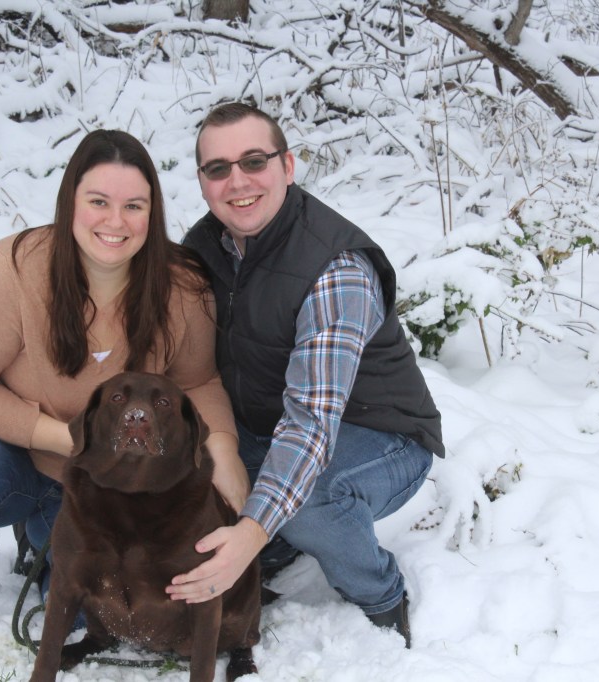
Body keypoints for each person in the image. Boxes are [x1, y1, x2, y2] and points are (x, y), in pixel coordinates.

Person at [0, 129, 249, 650]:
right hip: (13, 456)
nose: (116, 221)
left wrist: (223, 449)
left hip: (108, 487)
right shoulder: (12, 271)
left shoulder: (180, 285)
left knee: (97, 620)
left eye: (134, 206)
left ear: (152, 212)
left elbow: (198, 380)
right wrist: (69, 440)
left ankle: (44, 548)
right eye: (99, 202)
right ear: (70, 203)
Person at [169, 102, 445, 648]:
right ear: (202, 182)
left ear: (288, 166)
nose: (237, 181)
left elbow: (311, 425)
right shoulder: (203, 248)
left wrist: (252, 529)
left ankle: (380, 595)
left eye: (254, 161)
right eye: (218, 168)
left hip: (380, 436)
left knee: (310, 498)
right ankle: (277, 543)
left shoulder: (334, 267)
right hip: (265, 424)